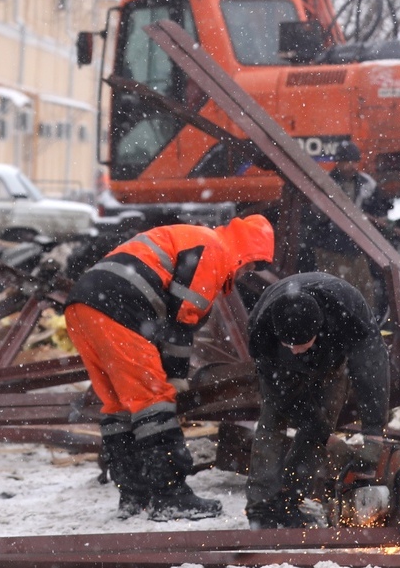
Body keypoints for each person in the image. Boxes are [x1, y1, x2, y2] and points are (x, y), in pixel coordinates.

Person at [64, 215, 275, 521]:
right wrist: (176, 379)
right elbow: (182, 321)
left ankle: (134, 494)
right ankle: (170, 496)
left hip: (83, 305)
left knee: (120, 404)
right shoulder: (214, 249)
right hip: (118, 306)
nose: (244, 273)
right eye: (251, 266)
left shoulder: (193, 237)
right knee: (153, 400)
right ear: (246, 251)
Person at [244, 272, 391, 529]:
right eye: (288, 344)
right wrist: (327, 438)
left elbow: (371, 373)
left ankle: (290, 501)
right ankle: (262, 507)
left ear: (318, 327)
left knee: (325, 418)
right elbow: (285, 398)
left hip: (331, 360)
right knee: (273, 420)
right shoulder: (262, 331)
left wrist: (374, 435)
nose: (295, 350)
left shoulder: (350, 314)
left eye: (301, 343)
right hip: (280, 371)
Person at [307, 140, 392, 312]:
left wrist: (381, 223)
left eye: (354, 162)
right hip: (330, 248)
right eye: (347, 162)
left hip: (357, 247)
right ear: (338, 163)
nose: (351, 166)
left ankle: (362, 322)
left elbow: (379, 209)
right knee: (334, 291)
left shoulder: (367, 184)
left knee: (363, 291)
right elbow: (313, 216)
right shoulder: (324, 184)